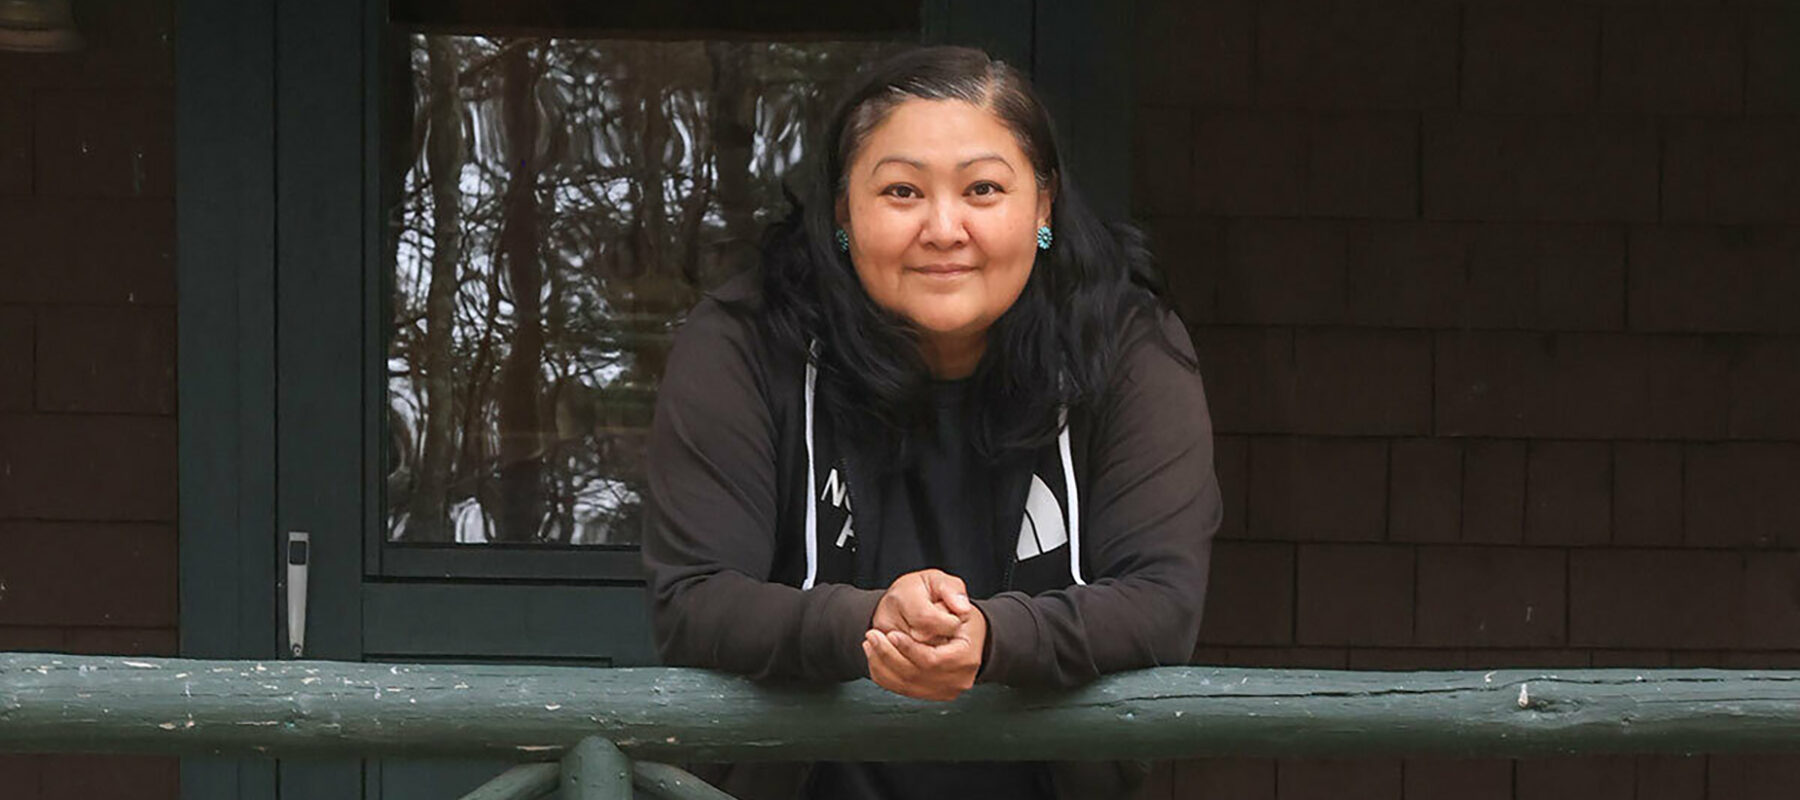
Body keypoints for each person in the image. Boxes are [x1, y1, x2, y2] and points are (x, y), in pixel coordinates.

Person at [642, 45, 1221, 800]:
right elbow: (695, 600)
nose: (944, 229)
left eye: (982, 188)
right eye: (902, 192)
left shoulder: (1123, 345)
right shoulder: (747, 341)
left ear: (1043, 205)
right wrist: (871, 623)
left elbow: (1161, 603)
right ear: (844, 213)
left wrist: (991, 638)